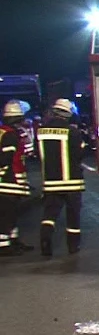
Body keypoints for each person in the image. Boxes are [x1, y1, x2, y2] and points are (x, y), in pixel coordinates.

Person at [38, 98, 86, 256]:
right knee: (73, 215)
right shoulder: (73, 131)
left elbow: (38, 155)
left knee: (49, 213)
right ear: (68, 114)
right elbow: (79, 154)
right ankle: (73, 246)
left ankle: (45, 240)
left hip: (50, 181)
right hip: (72, 182)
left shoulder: (41, 131)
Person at [0, 100, 32, 255]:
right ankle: (4, 245)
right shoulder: (11, 135)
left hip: (8, 181)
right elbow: (5, 158)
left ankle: (13, 240)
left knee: (12, 212)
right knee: (7, 213)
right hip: (9, 181)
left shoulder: (4, 132)